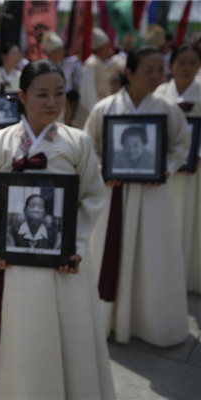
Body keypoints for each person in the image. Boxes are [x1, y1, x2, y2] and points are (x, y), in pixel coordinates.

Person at [0, 60, 115, 399]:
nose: (52, 102)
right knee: (14, 335)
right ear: (21, 96)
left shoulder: (79, 143)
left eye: (59, 93)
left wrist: (73, 243)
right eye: (42, 94)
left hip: (63, 261)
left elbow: (91, 197)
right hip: (9, 261)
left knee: (64, 335)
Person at [84, 46, 191, 347]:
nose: (158, 76)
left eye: (161, 69)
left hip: (152, 195)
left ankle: (150, 322)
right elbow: (88, 146)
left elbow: (181, 144)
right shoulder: (105, 108)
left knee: (152, 254)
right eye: (150, 70)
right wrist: (104, 169)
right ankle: (106, 319)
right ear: (129, 73)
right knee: (109, 252)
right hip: (113, 194)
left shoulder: (167, 109)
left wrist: (165, 169)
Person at [156, 43, 201, 294]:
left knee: (193, 220)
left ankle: (190, 276)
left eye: (192, 62)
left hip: (195, 171)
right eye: (181, 62)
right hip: (166, 169)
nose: (186, 68)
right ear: (171, 65)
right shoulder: (161, 93)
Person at [75, 28, 112, 128]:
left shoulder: (101, 63)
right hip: (92, 115)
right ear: (100, 47)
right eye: (107, 46)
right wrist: (96, 114)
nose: (109, 49)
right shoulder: (91, 65)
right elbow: (88, 93)